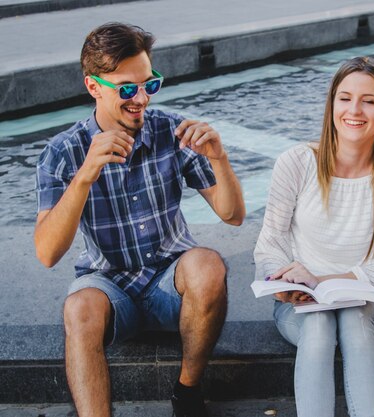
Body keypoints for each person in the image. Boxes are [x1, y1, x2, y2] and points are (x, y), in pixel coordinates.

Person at [34, 22, 245, 417]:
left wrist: (219, 158)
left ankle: (187, 392)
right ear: (94, 87)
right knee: (78, 309)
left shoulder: (169, 129)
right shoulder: (62, 152)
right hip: (108, 283)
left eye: (150, 84)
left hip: (170, 279)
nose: (142, 99)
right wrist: (83, 177)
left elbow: (233, 216)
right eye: (127, 89)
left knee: (207, 265)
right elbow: (47, 253)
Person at [253, 56, 374, 417]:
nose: (353, 110)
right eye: (344, 98)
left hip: (371, 303)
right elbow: (271, 242)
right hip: (301, 302)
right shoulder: (296, 162)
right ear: (332, 105)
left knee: (354, 323)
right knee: (318, 325)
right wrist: (281, 281)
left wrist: (321, 279)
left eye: (368, 101)